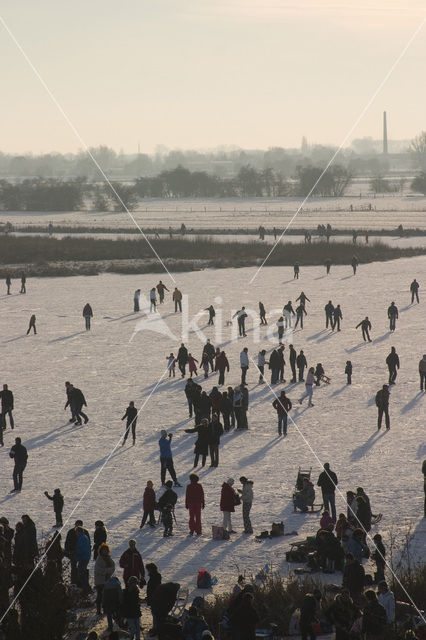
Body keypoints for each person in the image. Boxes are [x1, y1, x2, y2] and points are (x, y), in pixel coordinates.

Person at [94, 542, 115, 615]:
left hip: (107, 580)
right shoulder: (99, 559)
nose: (105, 551)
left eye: (106, 550)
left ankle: (106, 609)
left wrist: (107, 571)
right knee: (100, 595)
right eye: (103, 550)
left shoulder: (109, 558)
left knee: (106, 596)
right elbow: (98, 569)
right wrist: (106, 571)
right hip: (99, 581)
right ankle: (98, 610)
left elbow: (113, 567)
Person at [122, 576, 142, 640]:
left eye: (135, 583)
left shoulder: (136, 591)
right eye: (133, 583)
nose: (134, 585)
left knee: (137, 628)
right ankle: (129, 638)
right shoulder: (125, 592)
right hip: (129, 613)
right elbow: (124, 603)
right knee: (133, 628)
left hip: (136, 611)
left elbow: (136, 601)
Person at [75, 525, 91, 595]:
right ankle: (86, 588)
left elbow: (81, 548)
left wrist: (76, 553)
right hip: (85, 557)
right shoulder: (84, 537)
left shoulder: (81, 538)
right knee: (82, 573)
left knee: (81, 574)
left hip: (83, 557)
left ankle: (86, 589)